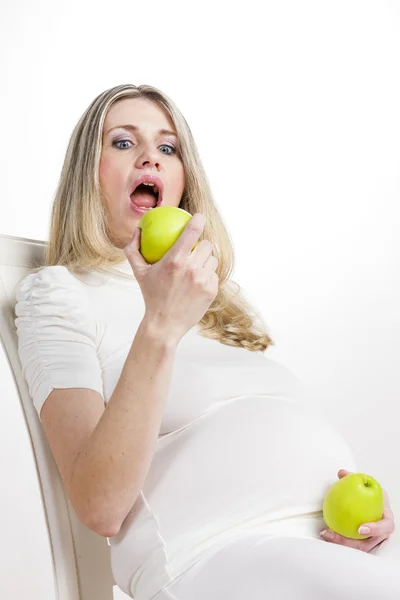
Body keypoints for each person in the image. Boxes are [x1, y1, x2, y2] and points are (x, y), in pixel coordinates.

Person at [14, 84, 397, 600]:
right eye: (124, 142)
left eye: (168, 148)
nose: (150, 155)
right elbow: (99, 505)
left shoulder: (215, 299)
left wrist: (364, 516)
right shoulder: (60, 291)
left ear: (182, 182)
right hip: (217, 551)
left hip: (331, 546)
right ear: (90, 174)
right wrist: (161, 325)